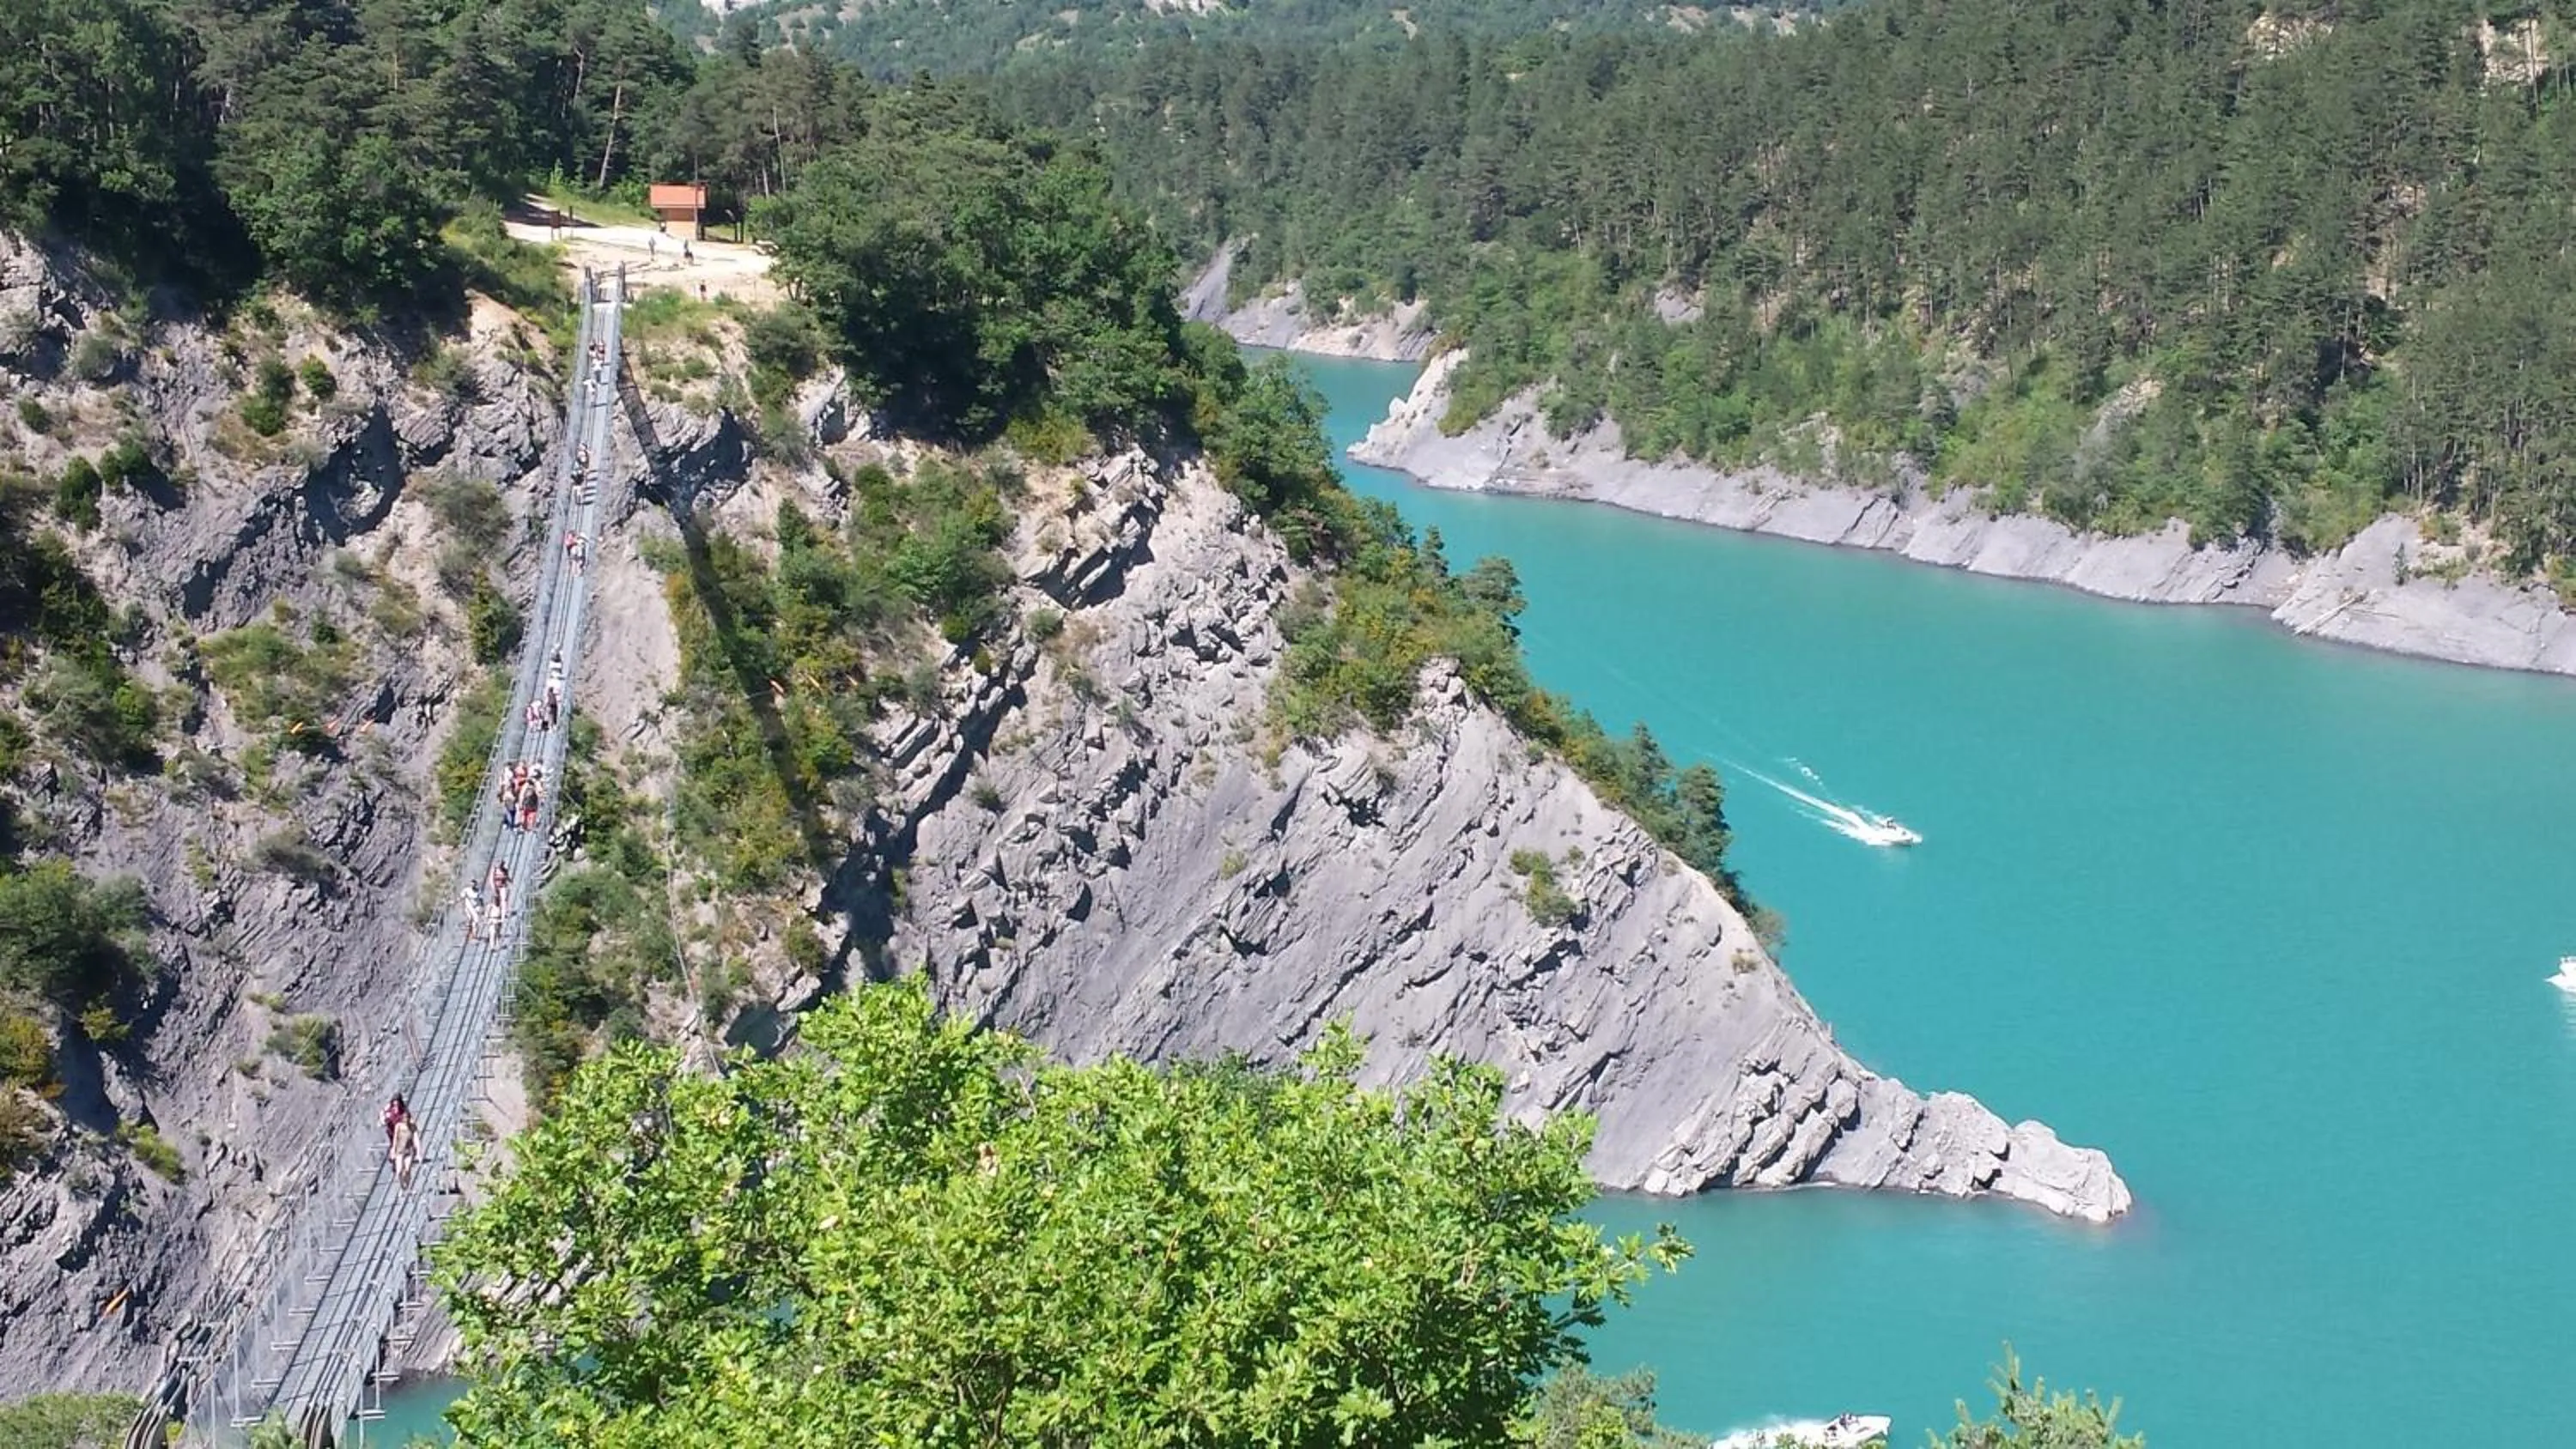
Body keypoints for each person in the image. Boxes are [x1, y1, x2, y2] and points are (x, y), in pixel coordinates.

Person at [390, 1115, 420, 1191]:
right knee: (399, 1171)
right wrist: (393, 1149)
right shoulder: (398, 1126)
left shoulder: (412, 1127)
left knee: (407, 1170)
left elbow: (416, 1139)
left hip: (409, 1151)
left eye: (408, 1118)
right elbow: (395, 1138)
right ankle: (402, 1186)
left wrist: (418, 1152)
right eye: (405, 1118)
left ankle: (408, 1186)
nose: (406, 1120)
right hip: (399, 1151)